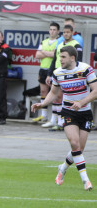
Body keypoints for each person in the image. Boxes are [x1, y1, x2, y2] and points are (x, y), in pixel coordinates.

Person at [31, 46, 96, 191]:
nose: (60, 60)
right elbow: (53, 93)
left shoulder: (85, 69)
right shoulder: (57, 73)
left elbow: (96, 90)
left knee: (79, 148)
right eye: (60, 57)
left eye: (63, 57)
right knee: (74, 144)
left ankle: (63, 168)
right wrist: (42, 104)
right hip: (68, 112)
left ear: (72, 58)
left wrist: (81, 103)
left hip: (85, 113)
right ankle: (86, 180)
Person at [46, 24, 83, 131]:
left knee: (62, 96)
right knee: (56, 96)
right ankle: (55, 119)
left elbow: (78, 61)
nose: (66, 34)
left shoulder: (76, 45)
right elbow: (54, 60)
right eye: (64, 32)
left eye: (68, 32)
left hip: (68, 73)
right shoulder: (60, 44)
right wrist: (49, 74)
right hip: (58, 73)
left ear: (72, 33)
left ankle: (62, 121)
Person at [33, 22, 60, 127]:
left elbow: (55, 55)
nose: (52, 31)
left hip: (53, 70)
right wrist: (49, 53)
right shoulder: (44, 41)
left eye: (54, 29)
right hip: (42, 69)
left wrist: (44, 52)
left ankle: (55, 118)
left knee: (55, 93)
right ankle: (44, 115)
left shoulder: (59, 41)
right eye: (51, 29)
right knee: (43, 91)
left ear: (58, 31)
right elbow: (37, 55)